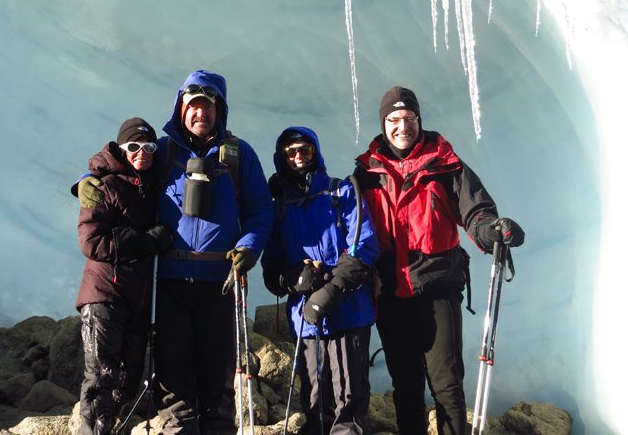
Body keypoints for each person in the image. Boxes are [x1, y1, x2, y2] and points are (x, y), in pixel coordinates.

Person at [77, 70, 274, 435]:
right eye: (193, 106)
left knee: (217, 377)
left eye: (208, 106)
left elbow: (261, 209)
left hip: (221, 282)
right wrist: (88, 179)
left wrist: (248, 247)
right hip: (169, 283)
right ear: (181, 109)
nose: (201, 113)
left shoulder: (238, 155)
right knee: (172, 377)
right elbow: (122, 166)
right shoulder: (164, 152)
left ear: (220, 110)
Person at [354, 86, 525, 435]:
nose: (402, 127)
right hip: (390, 291)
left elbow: (475, 211)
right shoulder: (367, 173)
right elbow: (349, 226)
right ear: (383, 124)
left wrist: (491, 230)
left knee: (446, 382)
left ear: (419, 120)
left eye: (409, 118)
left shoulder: (446, 165)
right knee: (406, 383)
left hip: (438, 287)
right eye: (394, 120)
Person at [262, 127, 379, 435]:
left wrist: (326, 292)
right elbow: (271, 269)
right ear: (282, 158)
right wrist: (293, 278)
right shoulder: (279, 207)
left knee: (349, 399)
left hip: (348, 312)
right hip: (307, 321)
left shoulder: (342, 192)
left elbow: (364, 248)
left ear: (316, 152)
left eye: (305, 150)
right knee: (314, 399)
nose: (298, 157)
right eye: (291, 152)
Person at [75, 117, 173, 435]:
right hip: (105, 293)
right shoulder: (104, 185)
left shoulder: (149, 186)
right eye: (134, 146)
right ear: (121, 149)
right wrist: (146, 241)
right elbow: (90, 241)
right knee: (101, 377)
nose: (141, 152)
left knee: (128, 378)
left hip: (136, 298)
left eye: (148, 147)